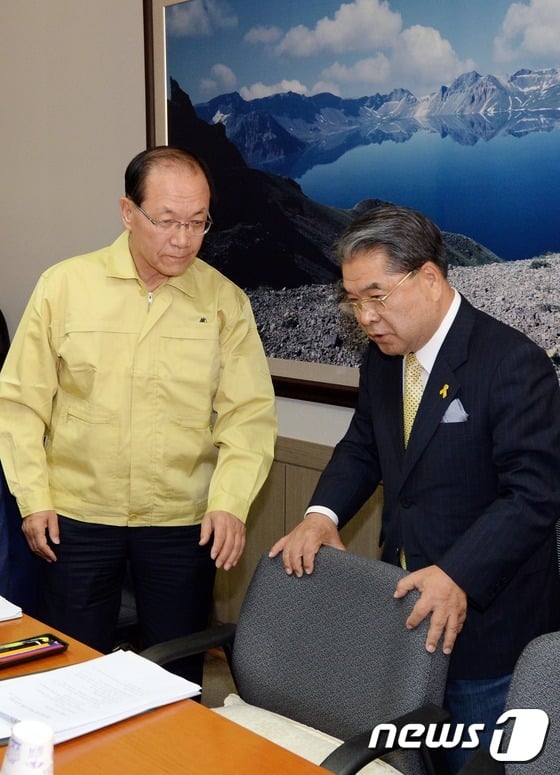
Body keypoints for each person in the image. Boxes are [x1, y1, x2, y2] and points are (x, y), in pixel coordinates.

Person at [270, 204, 560, 772]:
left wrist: (459, 573)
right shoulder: (385, 360)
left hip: (486, 631)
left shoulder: (511, 364)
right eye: (354, 301)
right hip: (403, 616)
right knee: (406, 759)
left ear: (429, 278)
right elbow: (363, 446)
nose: (366, 317)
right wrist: (321, 514)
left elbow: (535, 496)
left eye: (377, 296)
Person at [0, 146, 277, 684]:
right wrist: (33, 499)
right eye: (167, 221)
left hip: (181, 522)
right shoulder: (65, 287)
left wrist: (230, 502)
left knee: (173, 675)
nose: (183, 239)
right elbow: (20, 404)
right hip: (75, 518)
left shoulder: (224, 302)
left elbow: (248, 416)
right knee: (69, 670)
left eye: (198, 223)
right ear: (128, 213)